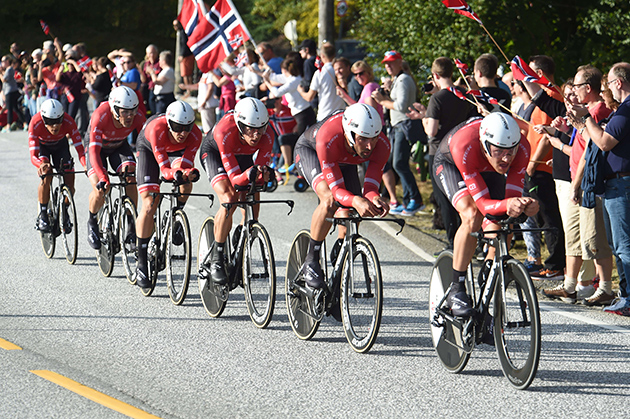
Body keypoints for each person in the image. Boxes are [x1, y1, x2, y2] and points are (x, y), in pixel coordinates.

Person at [433, 113, 538, 315]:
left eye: (511, 152)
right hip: (453, 164)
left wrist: (525, 206)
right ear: (485, 144)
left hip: (488, 168)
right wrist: (508, 204)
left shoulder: (522, 148)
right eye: (499, 151)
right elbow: (482, 205)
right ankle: (457, 286)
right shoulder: (464, 145)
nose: (507, 158)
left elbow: (511, 199)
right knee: (472, 215)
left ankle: (489, 274)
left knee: (504, 225)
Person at [294, 103, 391, 288]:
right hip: (312, 152)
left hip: (345, 160)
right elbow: (337, 191)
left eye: (374, 138)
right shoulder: (327, 136)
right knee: (330, 200)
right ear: (350, 133)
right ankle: (311, 260)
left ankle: (339, 267)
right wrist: (356, 200)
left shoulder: (382, 144)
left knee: (351, 217)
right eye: (363, 139)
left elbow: (370, 187)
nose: (370, 146)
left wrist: (374, 197)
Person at [567, 62, 630, 316]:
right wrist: (584, 125)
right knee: (618, 244)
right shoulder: (623, 110)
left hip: (622, 184)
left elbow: (604, 142)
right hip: (616, 183)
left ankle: (628, 298)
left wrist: (585, 118)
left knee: (623, 245)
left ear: (619, 83)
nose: (608, 91)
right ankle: (625, 296)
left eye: (609, 84)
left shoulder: (625, 110)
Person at [199, 97, 274, 284]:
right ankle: (217, 257)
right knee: (229, 197)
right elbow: (235, 179)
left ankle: (243, 233)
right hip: (215, 153)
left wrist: (263, 176)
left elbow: (259, 173)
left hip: (241, 155)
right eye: (250, 129)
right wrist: (250, 174)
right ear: (240, 125)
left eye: (260, 129)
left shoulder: (268, 133)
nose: (256, 135)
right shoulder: (225, 130)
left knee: (253, 191)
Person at [134, 101, 202, 288]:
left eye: (186, 127)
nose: (182, 132)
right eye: (177, 127)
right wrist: (175, 173)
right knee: (149, 203)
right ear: (169, 123)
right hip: (149, 149)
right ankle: (141, 262)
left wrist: (186, 174)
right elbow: (164, 170)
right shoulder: (157, 128)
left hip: (174, 153)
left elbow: (185, 165)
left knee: (185, 181)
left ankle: (175, 215)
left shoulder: (195, 134)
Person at [521, 55, 566, 280]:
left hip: (542, 167)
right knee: (543, 216)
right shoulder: (542, 97)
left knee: (549, 216)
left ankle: (555, 265)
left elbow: (548, 136)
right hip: (536, 166)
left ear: (539, 74)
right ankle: (554, 262)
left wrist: (530, 165)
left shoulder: (553, 95)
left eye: (530, 73)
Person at [85, 86, 146, 249]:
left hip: (119, 146)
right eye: (124, 112)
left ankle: (130, 223)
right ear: (114, 109)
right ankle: (92, 221)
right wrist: (103, 177)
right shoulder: (101, 115)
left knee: (131, 177)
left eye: (132, 111)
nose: (129, 116)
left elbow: (145, 148)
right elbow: (94, 152)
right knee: (100, 188)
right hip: (96, 149)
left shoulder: (139, 117)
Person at [372, 50, 424, 216]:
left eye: (391, 62)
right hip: (398, 125)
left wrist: (382, 101)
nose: (388, 66)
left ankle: (416, 199)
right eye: (386, 63)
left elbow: (401, 106)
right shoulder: (398, 80)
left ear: (400, 62)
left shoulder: (403, 80)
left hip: (404, 124)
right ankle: (409, 200)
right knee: (398, 163)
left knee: (399, 163)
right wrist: (387, 93)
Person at [29, 99, 86, 231]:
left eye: (58, 121)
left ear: (63, 117)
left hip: (61, 146)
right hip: (43, 147)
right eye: (50, 122)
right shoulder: (35, 123)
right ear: (43, 119)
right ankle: (43, 214)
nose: (55, 126)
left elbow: (80, 149)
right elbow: (33, 155)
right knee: (46, 172)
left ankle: (65, 211)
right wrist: (40, 164)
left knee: (70, 179)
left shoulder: (69, 121)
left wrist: (85, 164)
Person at [262, 57, 316, 173]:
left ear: (285, 70)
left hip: (304, 114)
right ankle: (296, 164)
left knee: (301, 141)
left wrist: (266, 82)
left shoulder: (293, 81)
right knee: (300, 140)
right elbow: (274, 78)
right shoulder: (290, 78)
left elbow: (276, 92)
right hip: (299, 114)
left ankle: (299, 164)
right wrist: (265, 71)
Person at [298, 43, 346, 122]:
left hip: (325, 116)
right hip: (341, 114)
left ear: (322, 55)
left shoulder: (320, 73)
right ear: (334, 54)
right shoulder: (341, 70)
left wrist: (301, 91)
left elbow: (309, 97)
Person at [1, 55, 26, 131]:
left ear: (7, 61)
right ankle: (25, 123)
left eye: (3, 61)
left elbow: (4, 80)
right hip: (10, 91)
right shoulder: (7, 70)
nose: (2, 63)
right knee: (15, 108)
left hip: (10, 91)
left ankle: (8, 125)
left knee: (9, 108)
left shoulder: (9, 69)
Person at [140, 44, 161, 115]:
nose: (151, 55)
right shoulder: (145, 64)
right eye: (149, 53)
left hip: (156, 88)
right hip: (147, 88)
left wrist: (151, 71)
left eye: (153, 53)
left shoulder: (159, 63)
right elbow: (144, 79)